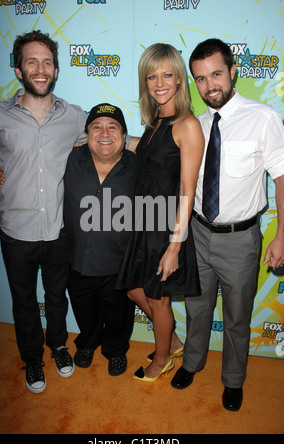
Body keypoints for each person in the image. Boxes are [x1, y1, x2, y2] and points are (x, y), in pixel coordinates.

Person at [170, 38, 284, 411]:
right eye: (200, 79)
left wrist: (282, 234)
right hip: (199, 233)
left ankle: (233, 381)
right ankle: (192, 362)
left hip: (241, 240)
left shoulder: (263, 117)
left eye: (216, 74)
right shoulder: (196, 124)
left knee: (237, 316)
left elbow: (282, 177)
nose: (209, 86)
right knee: (197, 308)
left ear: (233, 71)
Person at [0, 30, 90, 393]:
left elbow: (111, 134)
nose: (40, 69)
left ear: (57, 70)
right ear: (18, 70)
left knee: (57, 297)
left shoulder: (74, 116)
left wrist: (163, 142)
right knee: (24, 302)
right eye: (32, 62)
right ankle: (32, 360)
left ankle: (58, 346)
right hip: (16, 230)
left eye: (47, 62)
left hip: (60, 230)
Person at [116, 43, 204, 382]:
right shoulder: (156, 122)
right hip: (144, 221)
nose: (159, 82)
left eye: (167, 74)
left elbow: (187, 190)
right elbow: (147, 149)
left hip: (167, 228)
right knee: (134, 289)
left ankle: (162, 359)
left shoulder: (188, 125)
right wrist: (100, 140)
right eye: (152, 76)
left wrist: (174, 246)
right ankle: (174, 340)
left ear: (180, 79)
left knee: (158, 299)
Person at [64, 103, 138, 376]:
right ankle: (88, 343)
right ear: (86, 133)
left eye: (112, 127)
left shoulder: (138, 166)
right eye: (97, 126)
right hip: (78, 258)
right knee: (84, 310)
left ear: (124, 134)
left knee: (119, 314)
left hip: (119, 263)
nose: (104, 133)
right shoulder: (69, 158)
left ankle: (116, 349)